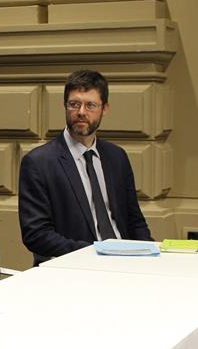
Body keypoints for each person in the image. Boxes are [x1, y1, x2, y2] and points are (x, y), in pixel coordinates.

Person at [18, 69, 152, 264]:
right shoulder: (39, 162)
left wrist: (149, 256)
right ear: (65, 106)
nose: (81, 112)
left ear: (104, 109)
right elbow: (36, 235)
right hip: (74, 267)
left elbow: (135, 221)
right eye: (74, 104)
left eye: (90, 105)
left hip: (124, 263)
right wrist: (96, 253)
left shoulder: (117, 157)